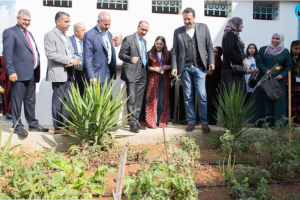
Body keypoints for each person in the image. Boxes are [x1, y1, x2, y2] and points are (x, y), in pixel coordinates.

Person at [3, 9, 49, 136]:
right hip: (18, 74)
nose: (27, 22)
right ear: (18, 19)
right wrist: (11, 71)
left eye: (29, 20)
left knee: (30, 101)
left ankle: (33, 124)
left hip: (31, 73)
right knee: (17, 101)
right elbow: (7, 54)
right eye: (24, 20)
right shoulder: (10, 32)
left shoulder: (29, 34)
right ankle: (17, 126)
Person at [171, 7, 215, 132]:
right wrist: (174, 67)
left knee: (202, 95)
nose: (186, 21)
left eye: (189, 19)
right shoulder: (178, 31)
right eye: (184, 19)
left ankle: (204, 122)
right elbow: (175, 52)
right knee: (188, 96)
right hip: (185, 68)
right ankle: (191, 122)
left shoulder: (203, 28)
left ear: (194, 17)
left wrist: (211, 62)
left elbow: (210, 47)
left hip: (200, 68)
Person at [44, 11, 82, 134]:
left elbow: (71, 53)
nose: (68, 24)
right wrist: (70, 60)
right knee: (58, 100)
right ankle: (58, 127)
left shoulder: (66, 36)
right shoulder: (50, 35)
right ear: (58, 21)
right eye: (66, 21)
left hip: (69, 73)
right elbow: (50, 54)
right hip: (58, 73)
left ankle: (67, 125)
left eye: (69, 22)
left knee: (68, 101)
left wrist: (79, 59)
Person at [250, 32, 292, 127]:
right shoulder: (264, 49)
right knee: (263, 100)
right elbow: (259, 62)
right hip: (264, 79)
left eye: (277, 39)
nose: (275, 40)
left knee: (276, 102)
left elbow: (288, 66)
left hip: (278, 80)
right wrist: (265, 70)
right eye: (273, 38)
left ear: (281, 40)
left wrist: (282, 75)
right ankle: (260, 122)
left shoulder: (285, 51)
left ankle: (277, 124)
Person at [119, 21, 149, 133]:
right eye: (142, 29)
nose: (144, 32)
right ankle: (132, 123)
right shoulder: (129, 39)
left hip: (143, 72)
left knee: (139, 99)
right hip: (132, 72)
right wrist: (130, 59)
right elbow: (121, 54)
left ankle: (136, 121)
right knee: (132, 98)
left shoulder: (144, 41)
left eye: (146, 30)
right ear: (138, 27)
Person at [145, 36, 171, 128]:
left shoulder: (168, 54)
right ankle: (152, 121)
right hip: (153, 79)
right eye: (157, 43)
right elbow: (145, 66)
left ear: (164, 44)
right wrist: (153, 68)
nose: (159, 46)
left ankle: (161, 120)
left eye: (161, 44)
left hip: (164, 79)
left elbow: (172, 65)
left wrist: (167, 67)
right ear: (154, 43)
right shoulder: (150, 53)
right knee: (152, 99)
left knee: (162, 100)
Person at [83, 12, 116, 84]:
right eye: (105, 24)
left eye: (109, 24)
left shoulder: (109, 34)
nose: (107, 26)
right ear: (98, 21)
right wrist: (91, 76)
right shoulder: (89, 35)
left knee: (108, 95)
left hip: (108, 73)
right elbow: (88, 58)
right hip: (96, 75)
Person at [221, 17, 246, 92]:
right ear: (235, 24)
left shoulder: (233, 35)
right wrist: (241, 60)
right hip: (231, 69)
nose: (242, 25)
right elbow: (229, 50)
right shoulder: (230, 34)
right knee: (232, 94)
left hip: (232, 69)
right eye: (241, 23)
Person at [206, 46, 222, 125]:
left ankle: (212, 120)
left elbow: (220, 76)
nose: (213, 53)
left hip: (215, 85)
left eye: (215, 52)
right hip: (206, 84)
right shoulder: (207, 61)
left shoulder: (220, 63)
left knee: (213, 102)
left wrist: (212, 74)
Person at [69, 23, 86, 96]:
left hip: (86, 73)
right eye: (82, 30)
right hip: (75, 72)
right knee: (75, 95)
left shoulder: (87, 41)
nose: (85, 32)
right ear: (76, 32)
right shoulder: (69, 40)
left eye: (85, 30)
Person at [286, 40, 300, 125]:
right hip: (291, 84)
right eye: (296, 49)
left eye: (299, 49)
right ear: (291, 48)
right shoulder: (288, 58)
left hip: (299, 84)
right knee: (292, 102)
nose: (298, 51)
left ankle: (298, 121)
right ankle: (290, 121)